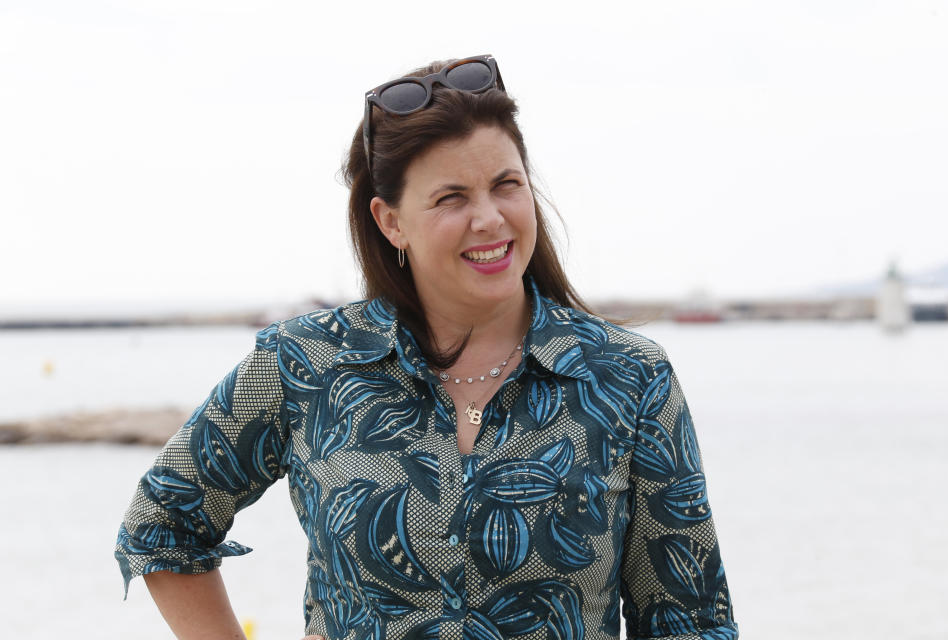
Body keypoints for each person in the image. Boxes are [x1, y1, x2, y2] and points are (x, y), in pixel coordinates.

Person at [115, 54, 739, 640]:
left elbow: (690, 619)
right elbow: (164, 522)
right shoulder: (303, 363)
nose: (491, 218)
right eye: (451, 198)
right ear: (391, 222)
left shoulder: (628, 377)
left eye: (506, 185)